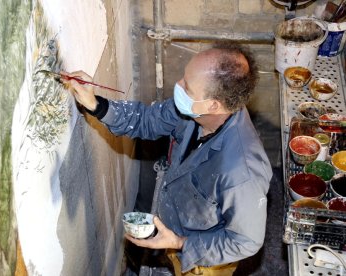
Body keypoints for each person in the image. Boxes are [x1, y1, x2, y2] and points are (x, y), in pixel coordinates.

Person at [63, 41, 272, 276]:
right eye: (184, 78)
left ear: (213, 105)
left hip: (203, 259)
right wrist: (95, 104)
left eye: (188, 87)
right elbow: (146, 120)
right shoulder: (193, 110)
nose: (178, 87)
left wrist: (180, 243)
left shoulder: (242, 171)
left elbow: (245, 242)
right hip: (172, 223)